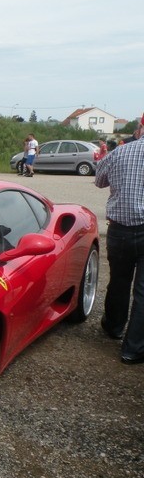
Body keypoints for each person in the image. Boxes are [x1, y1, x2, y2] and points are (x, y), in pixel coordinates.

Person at [94, 119, 144, 365]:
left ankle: (114, 327)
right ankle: (133, 349)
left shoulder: (121, 151)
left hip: (120, 230)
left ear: (141, 128)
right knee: (143, 292)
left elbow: (99, 180)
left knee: (119, 280)